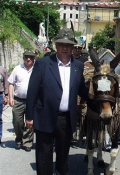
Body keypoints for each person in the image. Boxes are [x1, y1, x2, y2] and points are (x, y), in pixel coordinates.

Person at [26, 28, 89, 175]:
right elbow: (32, 91)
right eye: (61, 44)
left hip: (66, 119)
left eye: (68, 45)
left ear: (73, 47)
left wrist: (99, 92)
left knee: (63, 156)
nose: (65, 48)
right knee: (44, 156)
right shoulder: (43, 63)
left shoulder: (78, 66)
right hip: (44, 116)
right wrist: (29, 116)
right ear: (56, 45)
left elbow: (82, 89)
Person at [7, 49, 36, 152]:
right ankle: (18, 139)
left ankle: (27, 142)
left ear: (34, 58)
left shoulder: (36, 69)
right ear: (23, 58)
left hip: (31, 101)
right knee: (17, 122)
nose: (28, 59)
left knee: (30, 123)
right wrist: (10, 97)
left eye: (31, 57)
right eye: (26, 57)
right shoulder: (17, 69)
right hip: (18, 100)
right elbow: (11, 83)